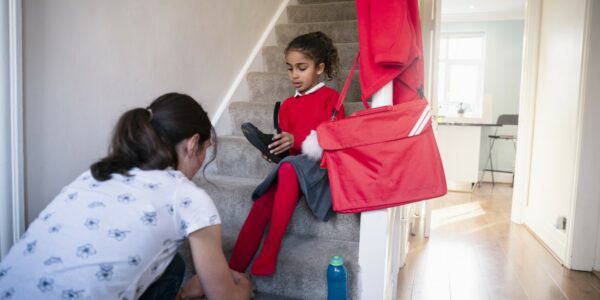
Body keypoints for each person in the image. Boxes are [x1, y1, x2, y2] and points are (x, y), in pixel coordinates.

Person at [0, 93, 253, 300]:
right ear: (192, 143)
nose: (200, 163)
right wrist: (243, 287)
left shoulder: (98, 174)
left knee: (173, 266)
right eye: (204, 151)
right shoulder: (186, 196)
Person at [229, 31, 346, 276]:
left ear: (319, 68)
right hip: (292, 168)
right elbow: (291, 149)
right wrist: (277, 149)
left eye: (301, 68)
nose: (294, 75)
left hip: (318, 167)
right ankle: (232, 272)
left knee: (289, 167)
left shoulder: (331, 99)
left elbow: (333, 142)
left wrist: (297, 142)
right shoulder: (288, 105)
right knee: (262, 204)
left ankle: (270, 250)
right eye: (290, 68)